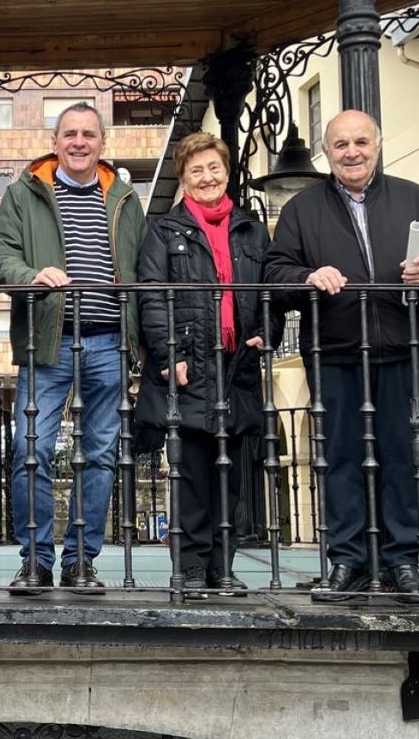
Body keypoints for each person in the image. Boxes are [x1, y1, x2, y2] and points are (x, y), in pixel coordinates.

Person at [264, 109, 419, 604]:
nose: (351, 152)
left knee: (401, 454)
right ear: (325, 153)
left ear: (377, 144)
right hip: (332, 350)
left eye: (360, 142)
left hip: (402, 346)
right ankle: (347, 559)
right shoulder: (302, 210)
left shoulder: (415, 197)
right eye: (340, 144)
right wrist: (307, 278)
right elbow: (275, 273)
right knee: (341, 455)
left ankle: (403, 561)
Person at [0, 101, 146, 594]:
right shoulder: (23, 193)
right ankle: (35, 562)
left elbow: (143, 267)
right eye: (70, 134)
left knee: (100, 455)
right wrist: (31, 277)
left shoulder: (124, 197)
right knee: (28, 451)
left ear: (102, 144)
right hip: (46, 342)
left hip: (110, 342)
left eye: (89, 134)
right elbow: (0, 256)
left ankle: (81, 562)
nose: (79, 142)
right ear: (55, 142)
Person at [136, 131, 276, 598]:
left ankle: (223, 566)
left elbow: (269, 288)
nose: (207, 177)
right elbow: (153, 297)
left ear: (227, 171)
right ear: (184, 177)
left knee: (231, 476)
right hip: (191, 363)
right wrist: (169, 355)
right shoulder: (164, 230)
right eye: (196, 170)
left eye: (214, 167)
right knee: (193, 473)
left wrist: (267, 331)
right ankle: (192, 567)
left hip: (238, 365)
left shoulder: (251, 228)